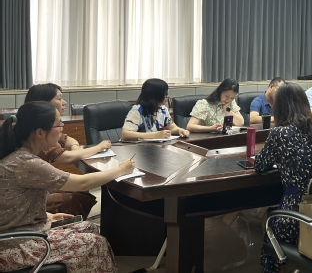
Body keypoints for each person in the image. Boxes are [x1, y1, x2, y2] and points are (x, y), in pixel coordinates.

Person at [0, 101, 135, 273]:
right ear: (40, 133)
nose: (62, 128)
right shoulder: (28, 163)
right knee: (96, 244)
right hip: (14, 246)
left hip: (20, 234)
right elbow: (82, 183)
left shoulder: (21, 156)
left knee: (90, 227)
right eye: (58, 124)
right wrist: (121, 170)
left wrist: (48, 216)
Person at [255, 83, 312, 273]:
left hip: (295, 217)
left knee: (268, 218)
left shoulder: (280, 133)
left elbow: (260, 165)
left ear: (279, 107)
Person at [25, 83, 112, 218]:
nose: (64, 102)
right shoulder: (39, 135)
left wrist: (75, 148)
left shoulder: (41, 127)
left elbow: (69, 140)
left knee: (80, 191)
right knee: (77, 193)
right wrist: (99, 147)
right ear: (44, 103)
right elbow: (68, 159)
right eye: (59, 98)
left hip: (36, 185)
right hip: (28, 195)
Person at [121, 78, 190, 141]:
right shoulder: (137, 111)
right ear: (156, 95)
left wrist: (179, 130)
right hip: (137, 148)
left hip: (155, 147)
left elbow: (172, 127)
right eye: (165, 93)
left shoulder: (163, 109)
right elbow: (125, 135)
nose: (168, 96)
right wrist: (155, 135)